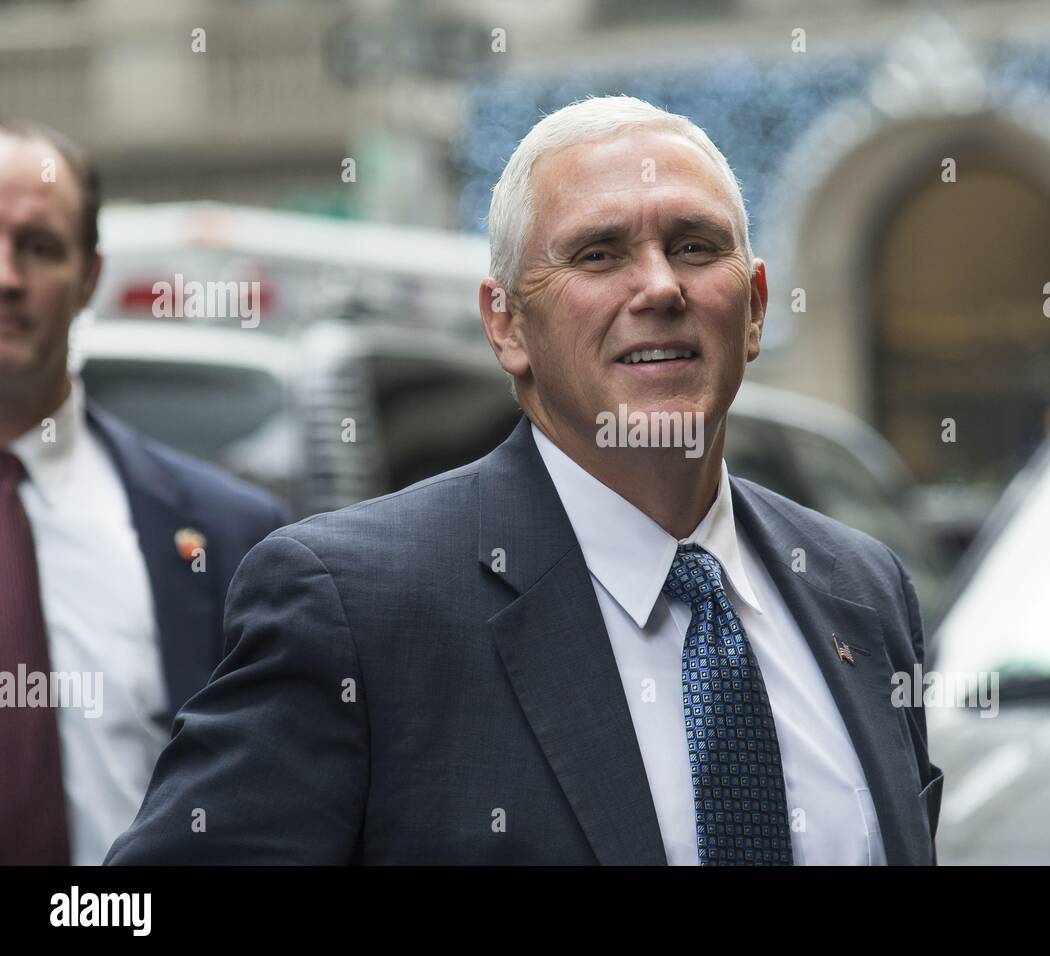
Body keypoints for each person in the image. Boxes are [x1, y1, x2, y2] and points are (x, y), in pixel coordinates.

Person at [106, 96, 942, 865]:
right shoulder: (353, 608)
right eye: (598, 253)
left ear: (755, 307)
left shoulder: (858, 590)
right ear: (506, 324)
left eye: (694, 246)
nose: (659, 286)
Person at [0, 120, 290, 865]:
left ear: (89, 276)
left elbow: (272, 809)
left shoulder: (225, 536)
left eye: (38, 247)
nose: (6, 277)